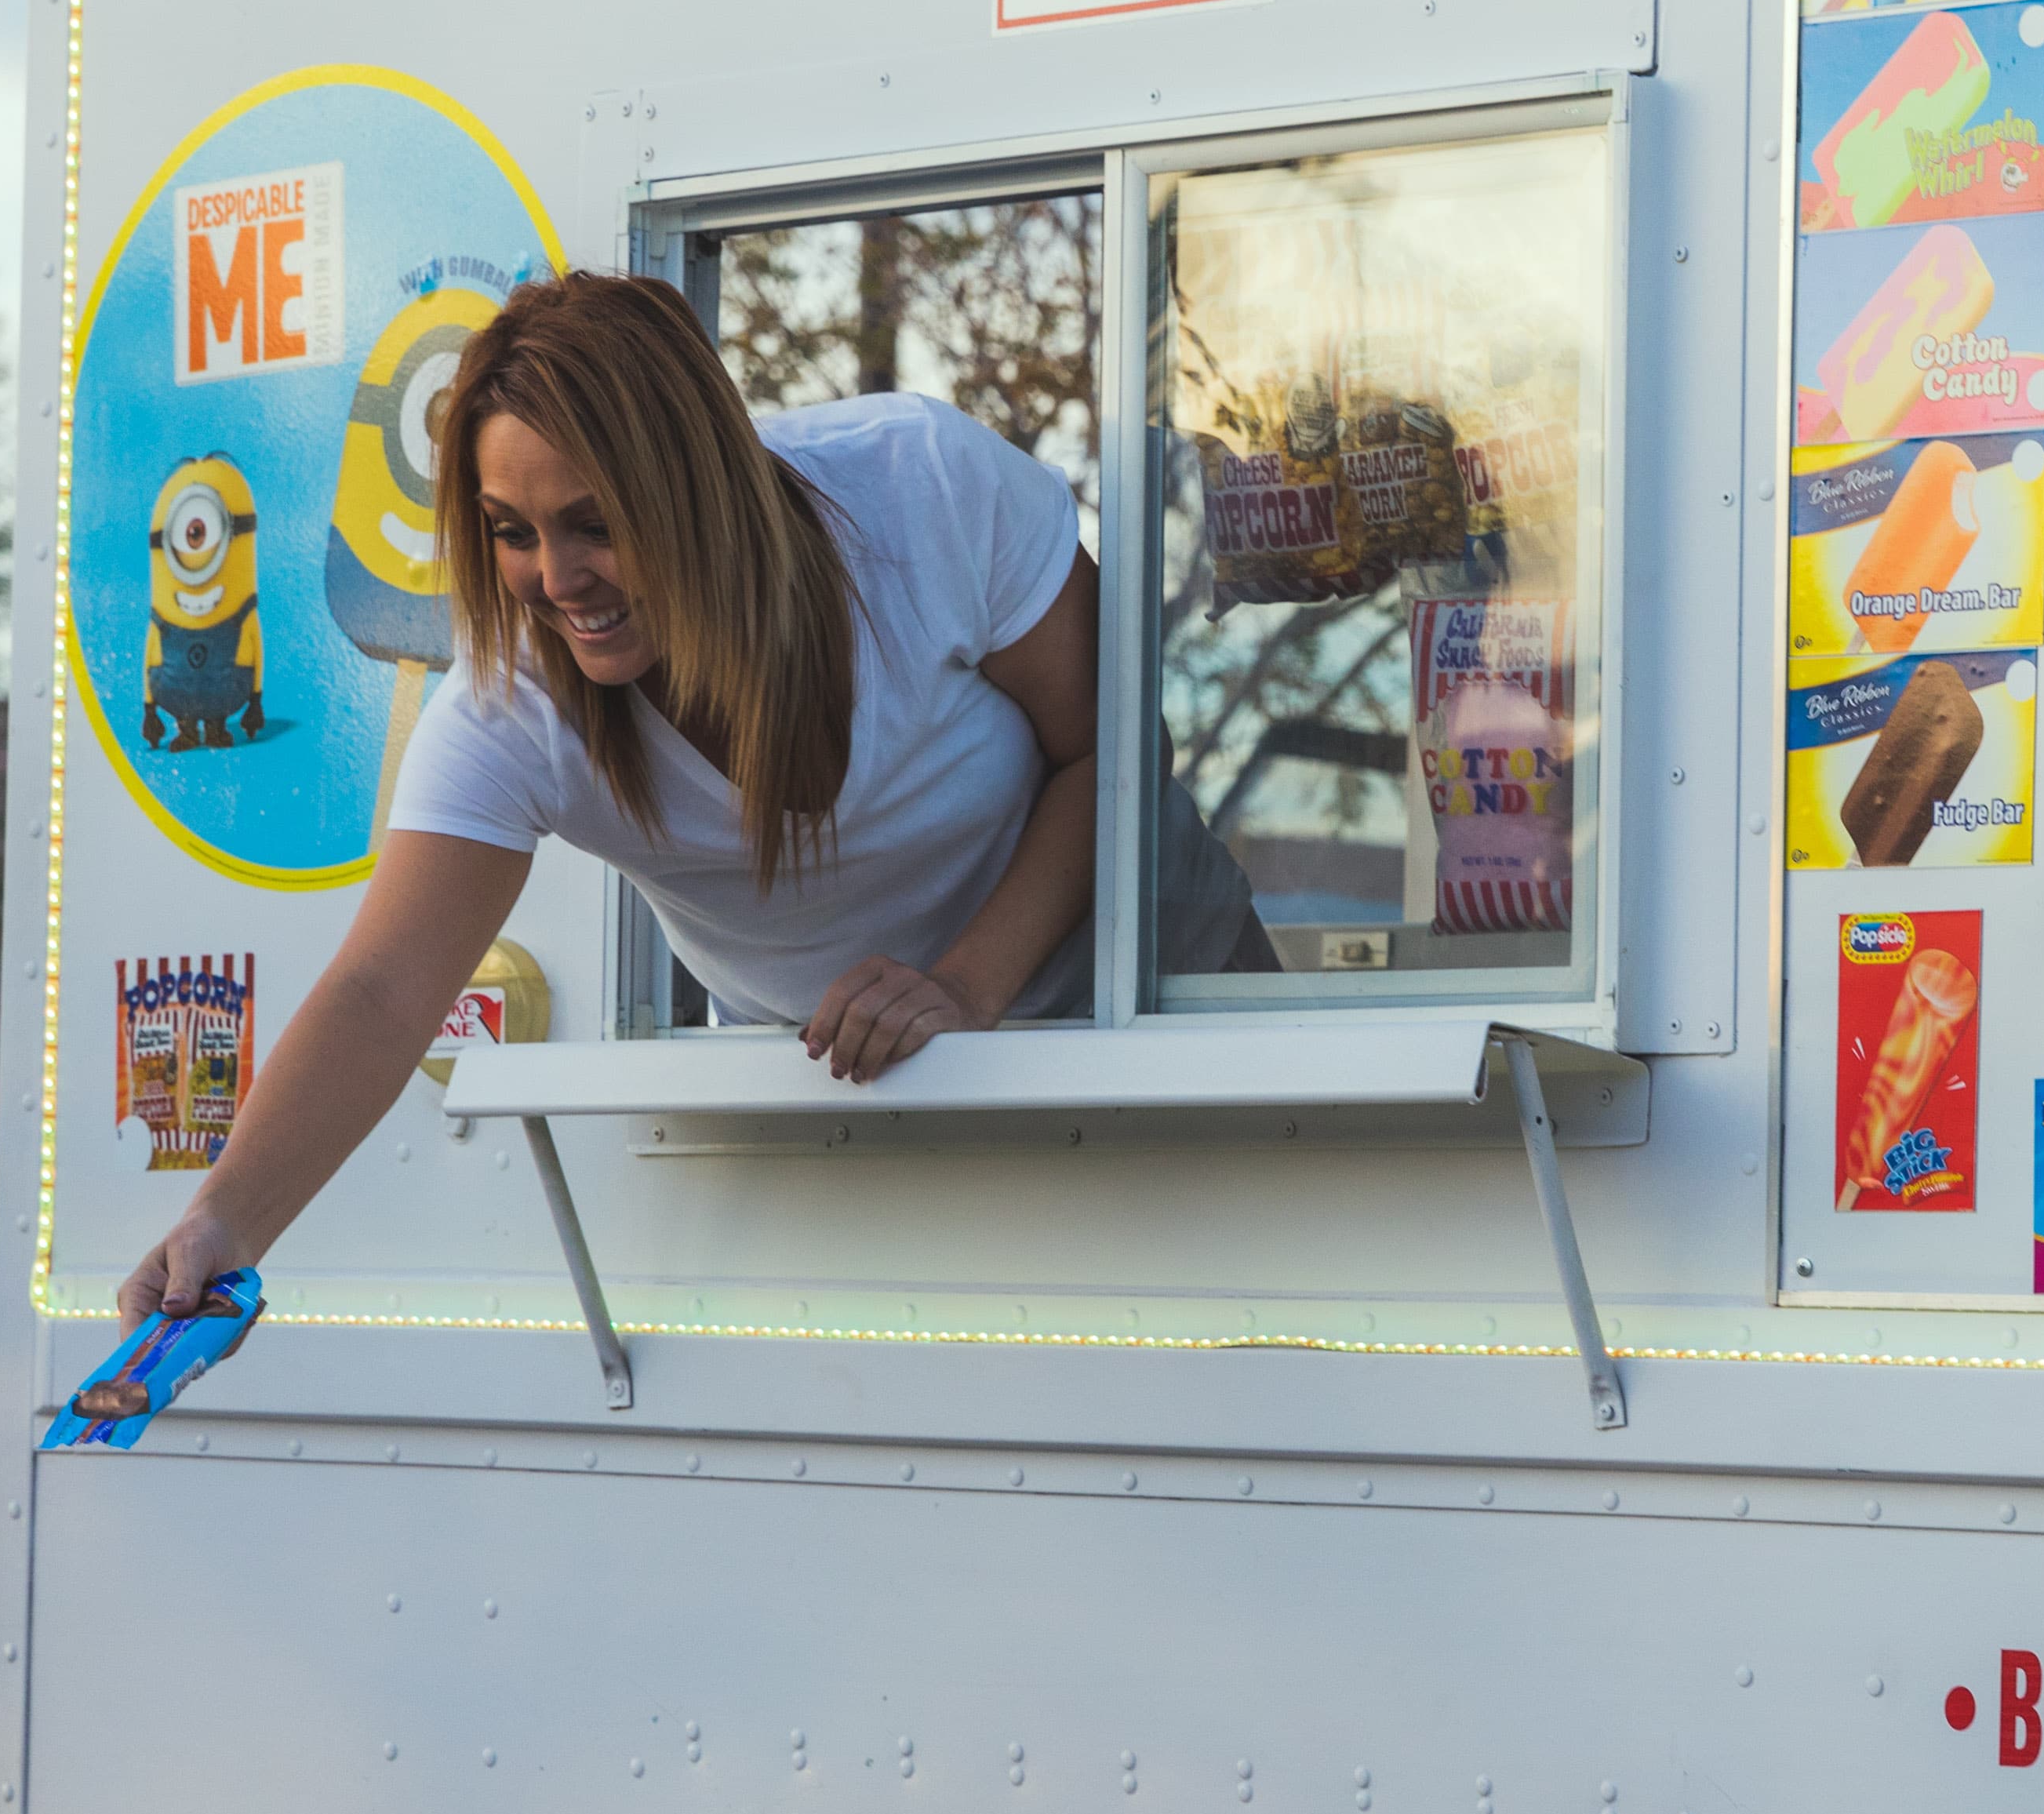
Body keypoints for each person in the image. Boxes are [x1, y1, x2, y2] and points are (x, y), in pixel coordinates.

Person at [117, 269, 1254, 1329]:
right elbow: (380, 991)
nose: (559, 583)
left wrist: (962, 986)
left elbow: (1111, 755)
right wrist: (221, 1221)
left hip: (1165, 1005)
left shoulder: (925, 487)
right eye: (514, 533)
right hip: (891, 1097)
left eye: (598, 523)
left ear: (700, 487)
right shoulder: (510, 709)